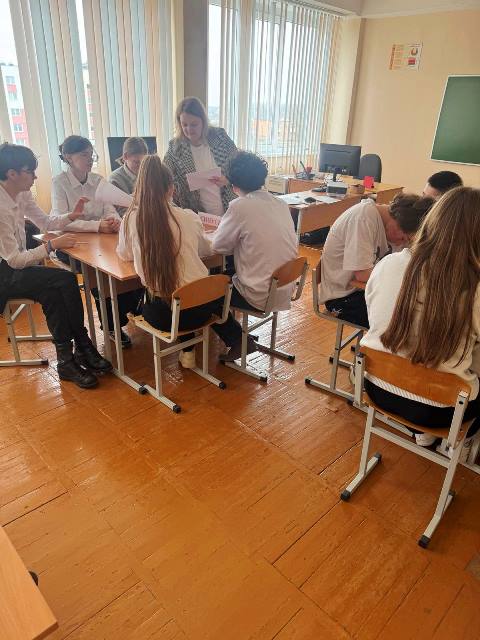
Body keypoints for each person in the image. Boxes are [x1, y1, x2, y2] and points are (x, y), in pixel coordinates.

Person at [361, 186, 480, 458]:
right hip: (440, 410)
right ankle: (459, 448)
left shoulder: (389, 264)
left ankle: (422, 433)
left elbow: (375, 318)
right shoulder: (474, 285)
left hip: (378, 388)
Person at [0, 142, 112, 388]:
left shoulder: (22, 193)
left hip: (18, 267)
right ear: (12, 174)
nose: (35, 176)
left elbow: (46, 222)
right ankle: (82, 345)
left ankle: (66, 360)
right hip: (5, 273)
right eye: (30, 171)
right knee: (65, 279)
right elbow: (14, 260)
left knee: (53, 292)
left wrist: (71, 216)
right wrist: (52, 246)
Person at [117, 155, 246, 367]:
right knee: (189, 286)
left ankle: (188, 350)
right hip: (202, 310)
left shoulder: (130, 219)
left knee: (159, 290)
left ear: (139, 190)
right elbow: (206, 250)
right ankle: (201, 347)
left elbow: (124, 255)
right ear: (171, 189)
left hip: (163, 316)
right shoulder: (187, 216)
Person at [52, 135, 142, 347]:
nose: (90, 159)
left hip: (102, 239)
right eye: (84, 155)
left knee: (125, 262)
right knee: (100, 274)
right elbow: (60, 221)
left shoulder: (98, 179)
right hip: (73, 242)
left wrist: (115, 221)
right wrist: (96, 226)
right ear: (68, 157)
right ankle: (111, 326)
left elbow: (109, 208)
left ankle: (130, 309)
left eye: (91, 155)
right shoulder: (59, 182)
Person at [212, 151, 298, 353]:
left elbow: (219, 246)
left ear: (233, 185)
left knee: (208, 292)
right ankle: (239, 334)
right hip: (283, 288)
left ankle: (237, 340)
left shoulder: (240, 206)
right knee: (228, 273)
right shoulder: (280, 203)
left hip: (258, 294)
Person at [319, 193, 434, 328]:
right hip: (343, 296)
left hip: (364, 290)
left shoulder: (396, 225)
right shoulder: (363, 218)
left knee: (421, 313)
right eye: (404, 239)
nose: (402, 244)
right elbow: (362, 275)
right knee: (404, 323)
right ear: (396, 221)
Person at [163, 97, 237, 216]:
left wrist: (228, 179)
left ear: (203, 121)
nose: (189, 129)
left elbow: (239, 166)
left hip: (229, 208)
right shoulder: (175, 147)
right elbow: (163, 175)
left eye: (194, 124)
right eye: (184, 124)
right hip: (196, 214)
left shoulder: (220, 137)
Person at [108, 136, 148, 216]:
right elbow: (121, 212)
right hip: (132, 220)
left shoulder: (148, 172)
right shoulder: (114, 180)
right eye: (136, 162)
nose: (141, 166)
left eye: (144, 162)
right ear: (125, 156)